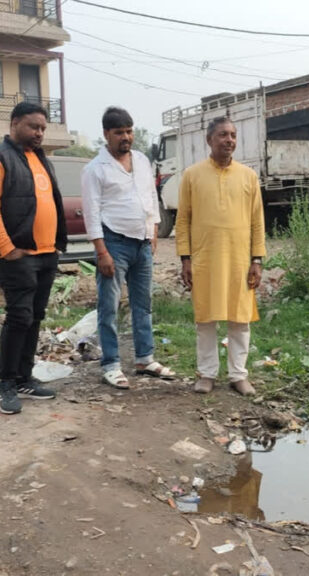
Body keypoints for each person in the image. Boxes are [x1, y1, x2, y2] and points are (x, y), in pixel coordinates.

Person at [0, 101, 66, 415]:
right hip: (18, 255)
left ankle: (25, 377)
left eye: (42, 128)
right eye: (33, 126)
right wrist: (7, 248)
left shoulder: (40, 158)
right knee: (19, 317)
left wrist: (55, 245)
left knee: (36, 316)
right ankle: (7, 383)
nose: (39, 133)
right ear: (14, 124)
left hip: (46, 253)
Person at [81, 106, 175, 388]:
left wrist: (154, 229)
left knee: (143, 304)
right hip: (114, 243)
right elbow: (92, 213)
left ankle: (145, 358)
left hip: (142, 243)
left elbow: (150, 196)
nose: (126, 137)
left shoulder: (142, 160)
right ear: (106, 134)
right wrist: (102, 252)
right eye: (119, 132)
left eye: (129, 131)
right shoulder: (95, 169)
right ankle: (110, 364)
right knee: (109, 306)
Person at [175, 117, 266, 396]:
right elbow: (183, 220)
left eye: (233, 135)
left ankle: (239, 375)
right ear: (209, 140)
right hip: (205, 259)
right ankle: (207, 373)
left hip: (239, 260)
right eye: (223, 135)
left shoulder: (248, 176)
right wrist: (185, 258)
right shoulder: (192, 175)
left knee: (240, 319)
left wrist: (257, 260)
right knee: (206, 319)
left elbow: (257, 221)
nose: (229, 140)